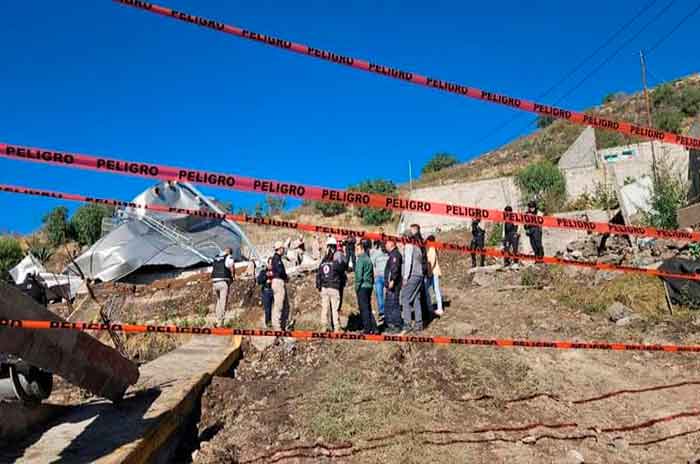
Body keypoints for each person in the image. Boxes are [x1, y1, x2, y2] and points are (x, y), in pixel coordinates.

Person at [316, 237, 345, 332]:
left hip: (324, 287)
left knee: (324, 308)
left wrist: (319, 286)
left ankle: (323, 327)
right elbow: (341, 271)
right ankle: (336, 328)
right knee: (335, 309)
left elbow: (319, 274)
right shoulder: (336, 259)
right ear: (334, 247)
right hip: (334, 287)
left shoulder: (323, 261)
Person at [401, 230, 424, 332]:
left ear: (406, 238)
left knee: (405, 298)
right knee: (415, 299)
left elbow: (408, 263)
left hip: (412, 275)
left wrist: (405, 278)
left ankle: (407, 324)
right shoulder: (417, 248)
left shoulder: (409, 247)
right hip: (420, 275)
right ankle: (419, 323)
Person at [354, 239, 377, 334]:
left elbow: (359, 275)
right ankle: (374, 327)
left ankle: (367, 328)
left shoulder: (361, 260)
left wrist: (356, 286)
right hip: (369, 286)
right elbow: (371, 273)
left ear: (362, 249)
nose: (356, 251)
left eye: (357, 249)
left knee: (363, 308)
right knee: (368, 307)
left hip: (362, 286)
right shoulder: (368, 259)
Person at [410, 223, 432, 314]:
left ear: (415, 229)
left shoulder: (415, 240)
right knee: (422, 292)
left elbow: (418, 256)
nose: (411, 231)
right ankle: (425, 311)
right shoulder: (421, 239)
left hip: (419, 268)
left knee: (420, 293)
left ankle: (424, 312)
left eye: (411, 229)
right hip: (422, 268)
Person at [383, 238, 403, 333]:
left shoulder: (395, 255)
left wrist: (392, 281)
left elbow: (395, 269)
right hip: (391, 284)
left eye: (386, 244)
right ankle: (390, 323)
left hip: (394, 284)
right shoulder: (392, 255)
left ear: (392, 244)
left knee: (394, 304)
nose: (385, 245)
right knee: (390, 303)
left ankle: (397, 324)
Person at [211, 247, 235, 326]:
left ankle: (217, 319)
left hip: (214, 282)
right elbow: (231, 266)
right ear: (229, 252)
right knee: (223, 301)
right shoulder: (228, 257)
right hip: (223, 282)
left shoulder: (216, 257)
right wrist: (233, 276)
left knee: (218, 301)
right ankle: (220, 322)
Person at [270, 241, 288, 330]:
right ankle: (277, 327)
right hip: (278, 281)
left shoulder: (276, 258)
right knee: (279, 305)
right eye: (283, 249)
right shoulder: (277, 259)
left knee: (279, 304)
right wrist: (285, 276)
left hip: (277, 281)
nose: (284, 250)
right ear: (280, 249)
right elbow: (280, 271)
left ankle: (278, 325)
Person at [370, 240, 389, 323]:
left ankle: (388, 311)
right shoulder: (376, 253)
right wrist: (374, 273)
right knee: (379, 294)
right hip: (378, 277)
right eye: (382, 245)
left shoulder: (388, 253)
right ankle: (382, 312)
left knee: (388, 294)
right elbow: (371, 263)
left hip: (387, 277)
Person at [426, 235, 444, 316]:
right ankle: (434, 307)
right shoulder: (434, 248)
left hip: (433, 272)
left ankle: (439, 308)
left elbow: (431, 263)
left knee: (435, 290)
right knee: (435, 290)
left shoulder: (432, 249)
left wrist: (429, 273)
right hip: (433, 272)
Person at [256, 258, 274, 329]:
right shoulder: (263, 272)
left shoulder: (276, 271)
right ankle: (268, 324)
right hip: (266, 291)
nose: (271, 265)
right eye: (270, 263)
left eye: (272, 264)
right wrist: (266, 277)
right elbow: (259, 281)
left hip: (275, 290)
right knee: (268, 309)